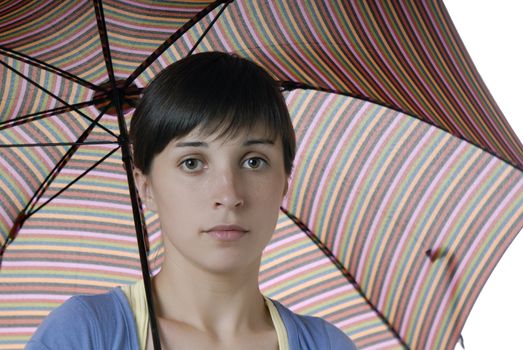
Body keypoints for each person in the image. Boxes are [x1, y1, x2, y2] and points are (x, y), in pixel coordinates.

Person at [26, 52, 356, 349]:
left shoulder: (327, 345)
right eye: (192, 163)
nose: (229, 195)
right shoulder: (85, 335)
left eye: (253, 161)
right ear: (145, 186)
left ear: (284, 182)